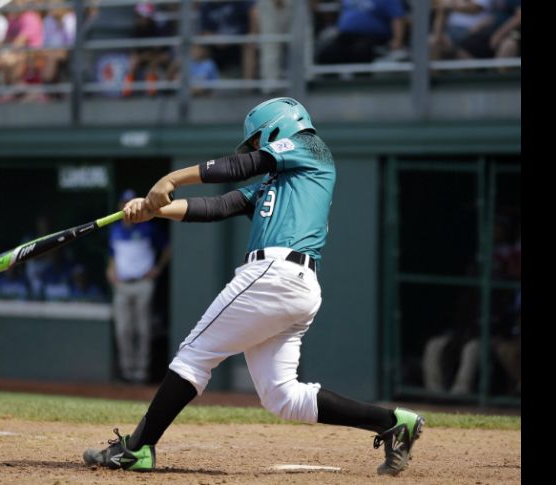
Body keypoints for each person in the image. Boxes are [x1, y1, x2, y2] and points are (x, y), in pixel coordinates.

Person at [83, 98, 424, 476]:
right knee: (283, 397)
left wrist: (171, 179)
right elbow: (219, 206)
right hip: (293, 284)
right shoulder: (278, 181)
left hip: (274, 274)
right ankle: (393, 422)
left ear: (277, 128)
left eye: (259, 141)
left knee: (194, 356)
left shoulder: (311, 147)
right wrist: (154, 209)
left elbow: (243, 165)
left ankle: (139, 447)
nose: (257, 149)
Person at [107, 189, 171, 384]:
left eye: (130, 202)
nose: (127, 206)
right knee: (123, 330)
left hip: (143, 283)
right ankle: (127, 372)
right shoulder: (115, 230)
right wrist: (110, 271)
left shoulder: (148, 228)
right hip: (122, 284)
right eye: (124, 202)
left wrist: (157, 268)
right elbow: (113, 256)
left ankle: (141, 372)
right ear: (120, 206)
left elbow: (168, 247)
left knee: (142, 329)